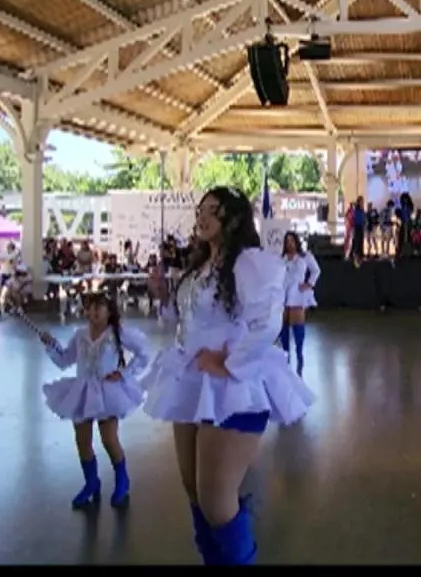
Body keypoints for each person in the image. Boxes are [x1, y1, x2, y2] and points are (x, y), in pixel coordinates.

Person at [142, 187, 313, 565]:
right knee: (195, 493)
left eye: (212, 211)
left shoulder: (248, 263)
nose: (201, 217)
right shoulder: (201, 265)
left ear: (233, 219)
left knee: (217, 503)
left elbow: (267, 321)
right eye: (200, 210)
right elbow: (189, 321)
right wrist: (162, 297)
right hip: (191, 381)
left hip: (234, 387)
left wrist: (230, 363)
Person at [36, 291, 154, 509]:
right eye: (88, 307)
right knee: (82, 441)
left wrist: (125, 373)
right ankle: (91, 482)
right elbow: (65, 360)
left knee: (109, 439)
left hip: (108, 393)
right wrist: (52, 345)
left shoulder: (117, 333)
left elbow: (144, 352)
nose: (92, 312)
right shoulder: (80, 334)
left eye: (98, 307)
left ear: (109, 310)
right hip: (82, 392)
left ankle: (122, 479)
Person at [278, 232, 321, 376]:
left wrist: (309, 284)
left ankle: (299, 354)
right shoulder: (282, 259)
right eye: (287, 241)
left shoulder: (305, 256)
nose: (289, 243)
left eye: (292, 240)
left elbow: (316, 270)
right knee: (283, 325)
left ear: (296, 241)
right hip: (283, 295)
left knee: (298, 325)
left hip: (297, 294)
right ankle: (285, 354)